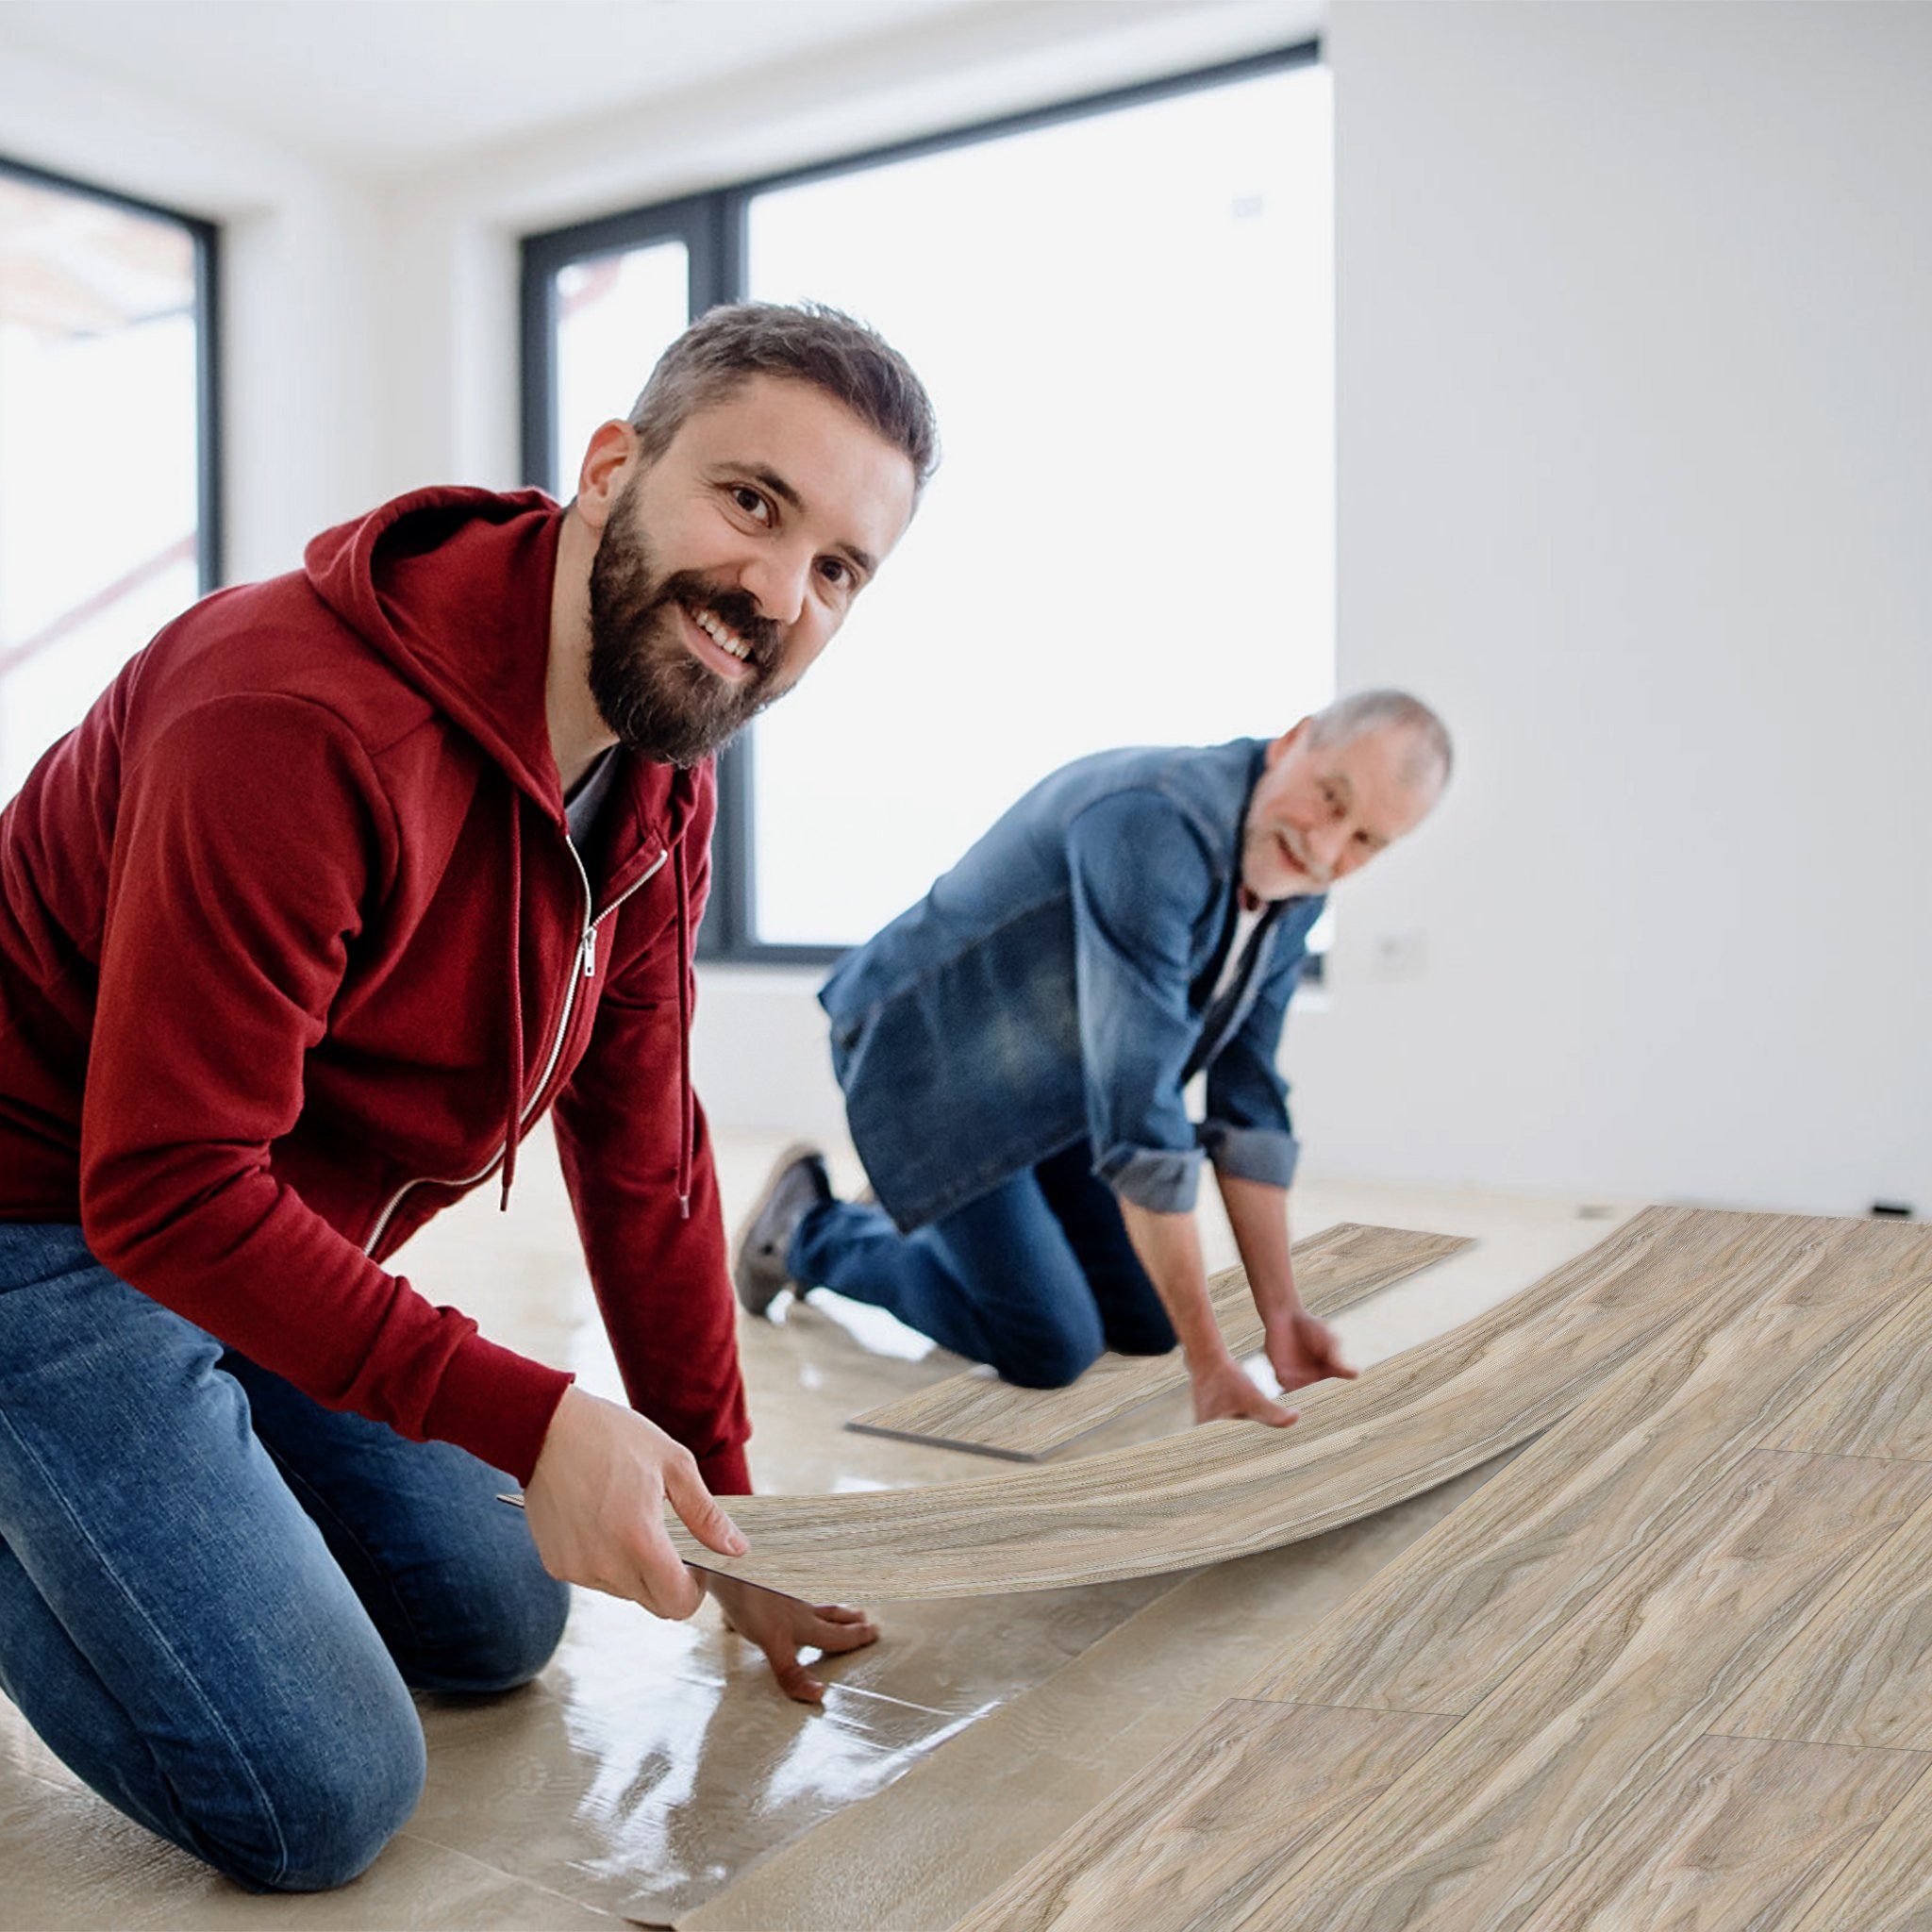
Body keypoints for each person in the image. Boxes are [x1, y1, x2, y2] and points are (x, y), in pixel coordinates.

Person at [0, 302, 935, 1890]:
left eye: (838, 570)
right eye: (752, 501)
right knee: (321, 1798)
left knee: (497, 1618)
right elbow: (158, 1183)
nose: (775, 592)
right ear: (611, 466)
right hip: (44, 1221)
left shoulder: (656, 769)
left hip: (233, 1225)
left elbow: (642, 1153)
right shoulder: (289, 718)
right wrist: (536, 1412)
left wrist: (736, 1526)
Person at [733, 693, 1451, 1428]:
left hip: (1051, 1088)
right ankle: (810, 1231)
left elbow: (1249, 1105)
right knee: (1049, 1343)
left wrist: (1283, 1320)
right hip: (931, 1071)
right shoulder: (1152, 824)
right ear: (1293, 741)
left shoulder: (1294, 883)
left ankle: (922, 1208)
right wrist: (1212, 1368)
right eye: (1332, 799)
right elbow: (1143, 1119)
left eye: (1366, 841)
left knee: (1147, 1324)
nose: (1329, 850)